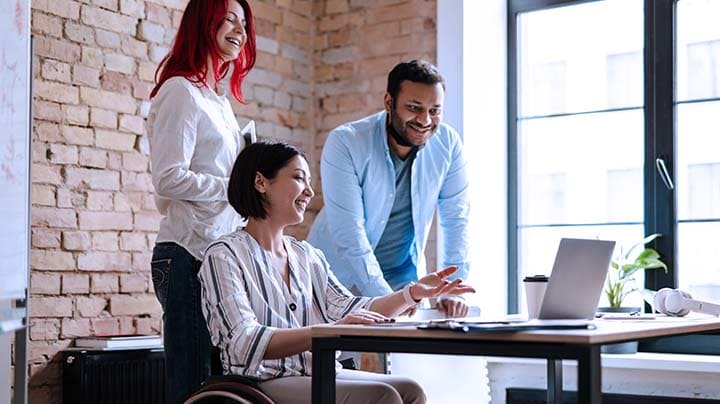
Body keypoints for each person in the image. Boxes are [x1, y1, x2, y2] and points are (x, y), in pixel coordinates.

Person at [198, 141, 475, 404]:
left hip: (317, 372)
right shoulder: (224, 255)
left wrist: (411, 293)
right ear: (261, 182)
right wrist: (327, 331)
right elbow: (242, 342)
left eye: (309, 182)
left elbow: (354, 309)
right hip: (261, 380)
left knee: (410, 390)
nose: (309, 192)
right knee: (382, 397)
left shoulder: (307, 255)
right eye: (298, 178)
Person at [145, 0, 256, 402]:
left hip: (217, 255)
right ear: (203, 23)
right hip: (186, 254)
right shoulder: (180, 92)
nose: (239, 31)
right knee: (192, 384)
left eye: (243, 23)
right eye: (229, 19)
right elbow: (168, 178)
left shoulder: (219, 103)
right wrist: (231, 187)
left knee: (217, 384)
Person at [308, 60, 472, 317]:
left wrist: (452, 287)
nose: (425, 120)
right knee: (338, 356)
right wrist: (391, 300)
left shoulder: (448, 144)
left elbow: (456, 218)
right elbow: (349, 234)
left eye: (435, 110)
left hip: (402, 276)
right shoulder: (346, 142)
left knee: (414, 355)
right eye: (414, 108)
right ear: (389, 102)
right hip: (339, 275)